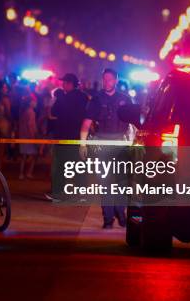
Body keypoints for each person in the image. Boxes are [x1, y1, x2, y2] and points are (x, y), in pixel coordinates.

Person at [80, 68, 132, 228]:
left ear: (116, 80)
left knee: (122, 182)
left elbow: (133, 123)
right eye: (104, 79)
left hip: (122, 144)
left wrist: (134, 142)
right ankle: (108, 218)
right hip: (103, 143)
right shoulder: (96, 99)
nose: (107, 82)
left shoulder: (125, 98)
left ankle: (121, 213)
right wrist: (82, 144)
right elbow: (86, 123)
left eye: (110, 79)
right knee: (106, 183)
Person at [46, 73, 89, 201]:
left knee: (61, 166)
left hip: (67, 135)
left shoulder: (65, 97)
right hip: (75, 136)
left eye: (65, 82)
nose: (63, 84)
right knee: (77, 165)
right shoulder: (83, 97)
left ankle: (59, 193)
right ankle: (80, 194)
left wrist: (59, 97)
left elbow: (54, 112)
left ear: (71, 84)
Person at [18, 94, 39, 180]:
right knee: (33, 156)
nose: (36, 103)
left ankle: (21, 173)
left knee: (23, 156)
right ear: (30, 102)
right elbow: (30, 125)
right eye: (34, 101)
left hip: (22, 136)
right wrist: (33, 137)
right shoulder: (31, 112)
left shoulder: (23, 111)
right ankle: (28, 173)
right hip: (29, 137)